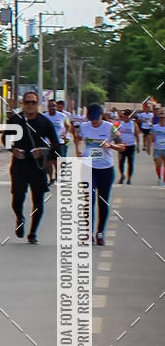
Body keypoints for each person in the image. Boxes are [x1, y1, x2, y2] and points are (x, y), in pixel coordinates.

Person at [6, 91, 60, 244]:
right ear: (23, 104)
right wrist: (13, 150)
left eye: (33, 102)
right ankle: (19, 218)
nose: (30, 105)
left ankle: (33, 232)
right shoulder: (15, 120)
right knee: (17, 197)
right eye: (27, 102)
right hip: (19, 164)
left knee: (38, 201)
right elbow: (6, 139)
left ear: (38, 105)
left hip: (37, 166)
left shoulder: (45, 122)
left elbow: (56, 144)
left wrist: (44, 151)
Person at [76, 103, 125, 245]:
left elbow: (123, 147)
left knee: (103, 201)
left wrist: (111, 145)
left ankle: (100, 232)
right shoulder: (84, 127)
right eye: (91, 119)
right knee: (88, 200)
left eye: (96, 119)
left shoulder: (110, 127)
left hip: (105, 168)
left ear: (101, 116)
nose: (94, 122)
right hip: (88, 167)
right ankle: (88, 232)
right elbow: (77, 137)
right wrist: (78, 150)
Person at [45, 99, 71, 183]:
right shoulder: (44, 116)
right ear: (47, 107)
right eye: (50, 106)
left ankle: (57, 175)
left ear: (56, 106)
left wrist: (65, 133)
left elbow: (68, 125)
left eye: (53, 106)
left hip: (59, 142)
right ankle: (50, 179)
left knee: (58, 162)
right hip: (47, 143)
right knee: (48, 162)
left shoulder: (62, 116)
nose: (52, 108)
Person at [116, 109, 139, 184]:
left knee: (130, 162)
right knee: (121, 162)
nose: (126, 117)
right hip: (121, 146)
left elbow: (137, 135)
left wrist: (138, 146)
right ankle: (122, 175)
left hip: (131, 145)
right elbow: (114, 133)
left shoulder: (133, 124)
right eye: (125, 115)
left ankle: (129, 178)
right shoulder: (120, 123)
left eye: (128, 116)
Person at [151, 110, 165, 185]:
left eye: (164, 118)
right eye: (161, 118)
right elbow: (152, 138)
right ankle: (159, 178)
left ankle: (164, 181)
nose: (162, 119)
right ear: (159, 118)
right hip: (157, 149)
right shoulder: (155, 127)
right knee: (158, 165)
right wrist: (150, 148)